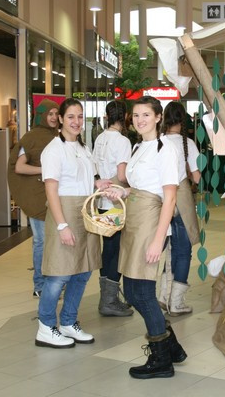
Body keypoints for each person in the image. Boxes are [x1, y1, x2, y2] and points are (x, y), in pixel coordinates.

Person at [105, 96, 187, 379]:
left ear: (158, 117)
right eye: (136, 115)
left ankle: (161, 359)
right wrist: (121, 191)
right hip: (134, 221)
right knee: (133, 290)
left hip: (151, 225)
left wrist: (157, 240)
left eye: (146, 115)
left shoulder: (166, 150)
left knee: (140, 292)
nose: (140, 120)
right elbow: (140, 187)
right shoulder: (138, 146)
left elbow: (169, 198)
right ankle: (171, 347)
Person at [35, 98, 111, 349]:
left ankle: (68, 321)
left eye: (79, 116)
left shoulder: (83, 147)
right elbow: (51, 191)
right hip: (64, 213)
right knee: (59, 274)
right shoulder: (53, 150)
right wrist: (61, 226)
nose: (76, 121)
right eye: (70, 117)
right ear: (60, 119)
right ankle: (46, 326)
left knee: (83, 270)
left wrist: (97, 184)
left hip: (85, 211)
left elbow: (82, 179)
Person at [7, 99, 59, 298]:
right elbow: (19, 167)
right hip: (36, 198)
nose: (53, 117)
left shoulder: (57, 136)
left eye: (56, 113)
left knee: (53, 241)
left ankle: (52, 283)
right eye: (50, 114)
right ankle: (40, 285)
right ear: (41, 115)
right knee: (41, 241)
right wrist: (45, 170)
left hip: (52, 195)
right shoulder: (30, 138)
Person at [158, 101, 201, 316]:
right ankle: (176, 302)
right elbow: (197, 177)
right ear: (183, 120)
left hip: (161, 200)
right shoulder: (188, 144)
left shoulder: (158, 142)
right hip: (182, 199)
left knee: (165, 249)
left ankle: (163, 295)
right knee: (183, 251)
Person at [92, 101, 134, 317]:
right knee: (117, 251)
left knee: (107, 250)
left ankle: (106, 298)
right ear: (125, 116)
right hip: (117, 201)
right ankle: (109, 301)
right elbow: (123, 175)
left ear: (107, 116)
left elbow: (95, 168)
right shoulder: (123, 141)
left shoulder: (100, 138)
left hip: (102, 201)